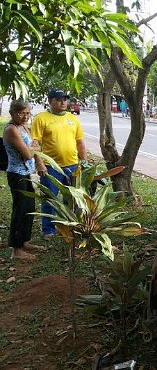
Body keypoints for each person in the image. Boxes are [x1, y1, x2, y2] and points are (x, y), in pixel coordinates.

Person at [31, 88, 88, 238]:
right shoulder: (41, 118)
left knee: (71, 199)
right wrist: (39, 163)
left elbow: (80, 142)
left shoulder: (73, 118)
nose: (63, 102)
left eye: (65, 99)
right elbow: (35, 143)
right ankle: (48, 230)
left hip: (72, 165)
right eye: (59, 99)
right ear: (50, 101)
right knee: (49, 199)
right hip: (51, 167)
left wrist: (84, 162)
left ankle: (68, 228)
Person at [3, 100, 44, 259]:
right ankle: (16, 249)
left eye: (27, 113)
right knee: (20, 210)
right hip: (17, 174)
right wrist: (34, 149)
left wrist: (39, 161)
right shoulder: (12, 129)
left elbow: (34, 149)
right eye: (21, 113)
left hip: (28, 173)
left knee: (29, 208)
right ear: (12, 113)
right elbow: (27, 154)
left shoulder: (24, 127)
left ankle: (24, 241)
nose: (25, 116)